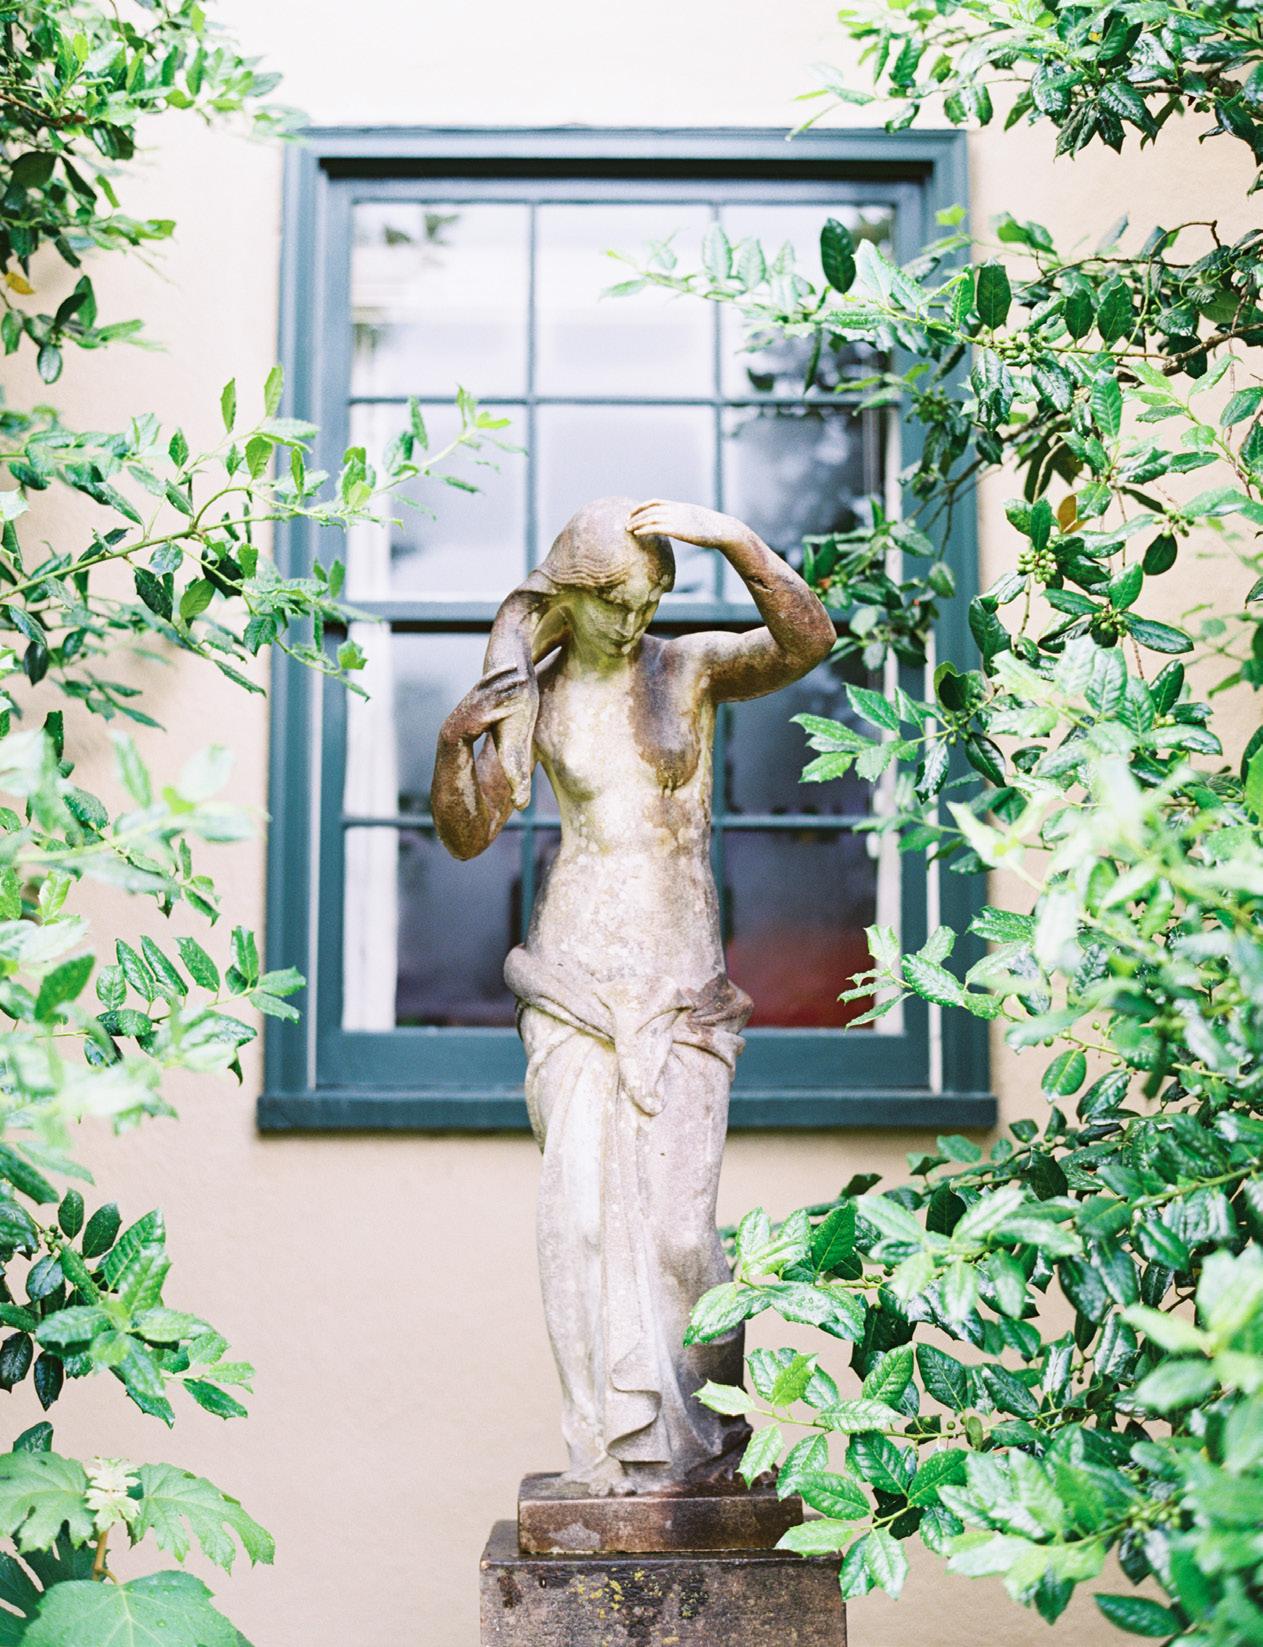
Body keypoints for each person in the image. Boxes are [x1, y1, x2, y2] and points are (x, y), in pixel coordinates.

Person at [431, 495, 835, 1495]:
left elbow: (806, 643)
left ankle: (715, 1448)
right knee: (577, 1222)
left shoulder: (686, 669)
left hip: (680, 978)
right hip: (575, 974)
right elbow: (469, 836)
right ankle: (607, 1453)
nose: (631, 620)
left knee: (683, 1235)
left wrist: (736, 541)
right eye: (613, 602)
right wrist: (453, 746)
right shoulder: (538, 695)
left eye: (647, 599)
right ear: (567, 597)